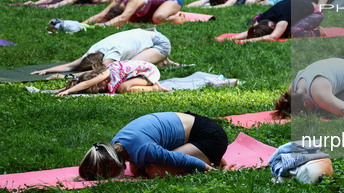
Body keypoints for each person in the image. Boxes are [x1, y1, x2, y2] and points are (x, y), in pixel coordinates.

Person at [78, 112, 232, 180]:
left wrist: (212, 174)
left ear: (111, 164)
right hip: (192, 130)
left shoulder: (144, 149)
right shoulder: (115, 146)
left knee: (154, 171)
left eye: (102, 175)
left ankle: (214, 164)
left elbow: (181, 160)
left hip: (210, 137)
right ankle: (211, 158)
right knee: (137, 170)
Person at [31, 28, 177, 77]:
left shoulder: (112, 55)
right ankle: (162, 60)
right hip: (144, 36)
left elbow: (101, 73)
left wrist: (66, 77)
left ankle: (161, 56)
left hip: (159, 42)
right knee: (128, 58)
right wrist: (46, 70)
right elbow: (70, 66)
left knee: (127, 66)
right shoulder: (92, 52)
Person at [273, 58, 344, 118]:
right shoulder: (294, 88)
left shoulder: (319, 92)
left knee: (327, 111)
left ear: (306, 104)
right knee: (326, 107)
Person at [228, 0, 326, 43]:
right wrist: (232, 38)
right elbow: (253, 29)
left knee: (292, 31)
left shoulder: (282, 20)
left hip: (315, 13)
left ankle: (318, 32)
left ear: (272, 27)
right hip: (302, 9)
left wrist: (249, 41)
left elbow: (273, 37)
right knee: (285, 32)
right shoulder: (264, 18)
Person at [82, 0, 186, 26]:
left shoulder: (134, 1)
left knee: (158, 18)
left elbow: (123, 18)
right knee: (134, 22)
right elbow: (102, 14)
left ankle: (177, 18)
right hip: (154, 3)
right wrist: (82, 24)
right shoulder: (118, 1)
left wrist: (104, 25)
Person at [55, 60, 170, 96]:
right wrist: (64, 89)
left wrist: (68, 91)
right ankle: (151, 86)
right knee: (122, 87)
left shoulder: (105, 73)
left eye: (99, 85)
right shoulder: (105, 77)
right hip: (141, 74)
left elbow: (86, 83)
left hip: (149, 72)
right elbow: (83, 84)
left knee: (123, 88)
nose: (102, 88)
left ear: (95, 77)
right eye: (100, 90)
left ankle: (155, 88)